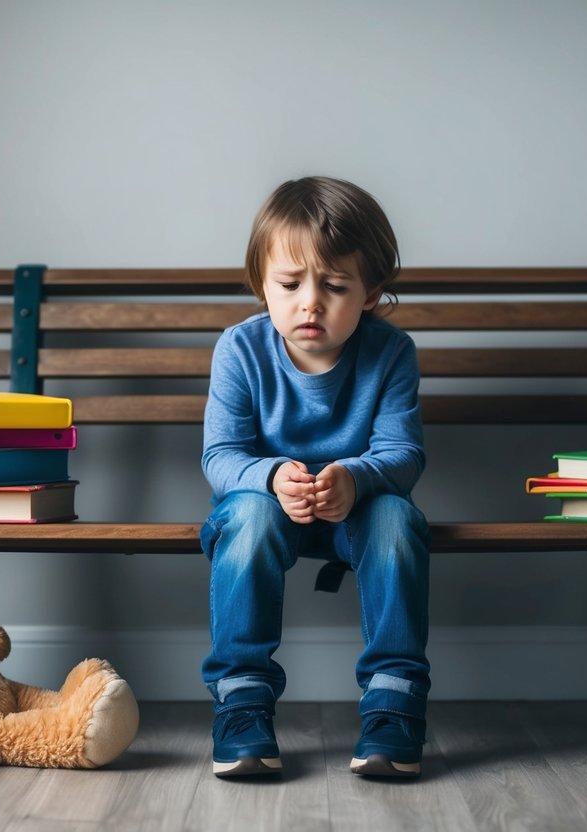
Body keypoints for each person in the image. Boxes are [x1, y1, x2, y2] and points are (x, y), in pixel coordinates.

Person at [200, 176, 430, 778]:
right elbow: (221, 456)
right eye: (290, 284)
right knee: (249, 513)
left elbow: (403, 454)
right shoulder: (240, 349)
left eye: (334, 286)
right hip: (263, 510)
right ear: (261, 286)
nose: (310, 303)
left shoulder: (391, 353)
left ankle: (393, 702)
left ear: (371, 294)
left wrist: (354, 480)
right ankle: (242, 702)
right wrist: (272, 477)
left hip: (355, 511)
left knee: (396, 518)